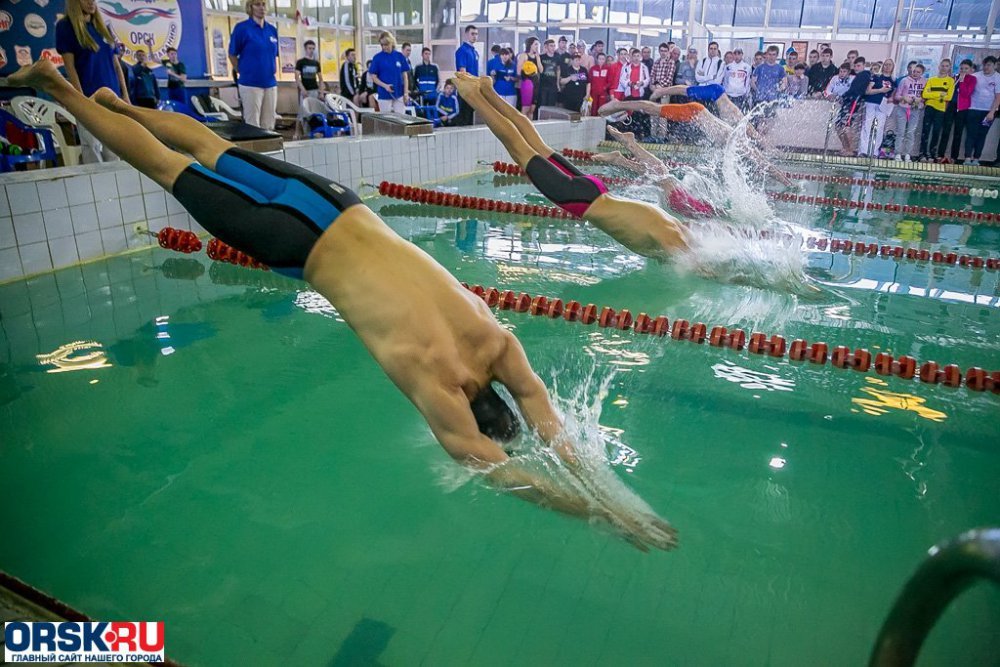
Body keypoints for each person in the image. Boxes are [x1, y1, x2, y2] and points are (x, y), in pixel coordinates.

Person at [9, 59, 677, 552]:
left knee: (213, 146)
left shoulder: (499, 341)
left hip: (337, 203)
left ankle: (111, 101)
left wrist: (616, 492)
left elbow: (552, 423)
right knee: (165, 167)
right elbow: (504, 472)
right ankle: (59, 91)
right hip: (296, 245)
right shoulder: (440, 389)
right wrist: (601, 515)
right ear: (476, 411)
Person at [454, 72, 687, 261]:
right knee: (519, 148)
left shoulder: (677, 225)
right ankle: (473, 96)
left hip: (596, 190)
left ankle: (488, 91)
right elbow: (696, 268)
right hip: (582, 200)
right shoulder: (674, 241)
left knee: (534, 142)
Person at [598, 94, 794, 185]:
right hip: (694, 113)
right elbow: (763, 164)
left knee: (653, 109)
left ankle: (620, 105)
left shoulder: (734, 141)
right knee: (652, 109)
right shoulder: (739, 142)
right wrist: (787, 183)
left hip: (697, 113)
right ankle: (618, 104)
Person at [55, 0, 130, 162]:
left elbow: (117, 67)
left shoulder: (103, 29)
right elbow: (71, 68)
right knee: (93, 150)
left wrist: (125, 95)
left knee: (115, 150)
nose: (91, 2)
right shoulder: (66, 26)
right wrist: (81, 101)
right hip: (89, 99)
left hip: (112, 99)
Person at [229, 0, 279, 130]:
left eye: (263, 4)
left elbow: (273, 55)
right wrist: (242, 70)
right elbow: (232, 54)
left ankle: (269, 149)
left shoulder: (272, 30)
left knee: (268, 124)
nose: (261, 8)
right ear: (250, 7)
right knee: (252, 124)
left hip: (270, 83)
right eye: (257, 4)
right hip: (250, 84)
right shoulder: (242, 29)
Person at [963, 55, 1000, 166]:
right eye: (984, 65)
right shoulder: (975, 76)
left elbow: (998, 97)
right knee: (971, 134)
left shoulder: (998, 78)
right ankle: (967, 158)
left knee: (982, 135)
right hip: (973, 109)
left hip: (988, 111)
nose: (986, 67)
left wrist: (992, 112)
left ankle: (976, 158)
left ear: (995, 65)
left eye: (989, 65)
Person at [938, 59, 976, 163]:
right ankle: (940, 155)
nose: (963, 71)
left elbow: (966, 93)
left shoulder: (972, 79)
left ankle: (954, 157)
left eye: (966, 69)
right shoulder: (955, 78)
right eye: (962, 68)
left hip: (962, 108)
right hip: (951, 106)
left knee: (958, 133)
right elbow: (949, 91)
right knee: (946, 131)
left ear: (970, 69)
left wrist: (963, 81)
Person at [919, 59, 955, 161]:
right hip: (929, 107)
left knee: (936, 131)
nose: (944, 68)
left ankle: (932, 153)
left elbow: (949, 97)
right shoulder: (931, 80)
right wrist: (939, 94)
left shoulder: (950, 81)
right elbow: (925, 94)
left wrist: (932, 94)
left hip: (940, 109)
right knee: (925, 130)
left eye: (946, 66)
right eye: (942, 65)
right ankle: (923, 153)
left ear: (949, 68)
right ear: (939, 66)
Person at [368, 31, 410, 114]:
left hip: (399, 93)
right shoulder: (377, 58)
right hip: (384, 94)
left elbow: (405, 76)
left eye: (386, 44)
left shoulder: (399, 56)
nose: (384, 47)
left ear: (391, 43)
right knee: (386, 119)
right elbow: (374, 77)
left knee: (401, 118)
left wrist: (405, 93)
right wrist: (385, 86)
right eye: (382, 45)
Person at [858, 61, 894, 158]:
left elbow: (893, 96)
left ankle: (874, 152)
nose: (887, 67)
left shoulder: (893, 81)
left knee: (879, 129)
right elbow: (868, 91)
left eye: (889, 65)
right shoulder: (876, 77)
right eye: (885, 64)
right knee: (867, 126)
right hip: (871, 103)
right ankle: (863, 151)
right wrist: (880, 90)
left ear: (893, 67)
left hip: (883, 106)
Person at [837, 57, 871, 156]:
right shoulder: (858, 76)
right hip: (849, 102)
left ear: (864, 66)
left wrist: (846, 96)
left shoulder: (864, 75)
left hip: (853, 102)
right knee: (838, 126)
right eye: (855, 66)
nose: (856, 68)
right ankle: (845, 147)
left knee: (846, 126)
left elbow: (856, 91)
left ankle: (850, 149)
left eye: (858, 65)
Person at [893, 63, 926, 161]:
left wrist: (919, 99)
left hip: (915, 109)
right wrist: (904, 98)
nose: (915, 73)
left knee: (911, 132)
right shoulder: (904, 80)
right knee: (901, 131)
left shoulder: (924, 82)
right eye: (914, 71)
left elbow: (925, 96)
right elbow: (897, 96)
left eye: (918, 72)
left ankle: (908, 153)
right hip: (903, 108)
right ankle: (898, 153)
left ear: (922, 73)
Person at [455, 25, 480, 125]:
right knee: (464, 117)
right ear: (466, 35)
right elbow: (462, 71)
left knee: (470, 116)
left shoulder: (475, 52)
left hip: (473, 88)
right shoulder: (462, 51)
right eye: (472, 34)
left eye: (476, 34)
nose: (475, 36)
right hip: (465, 89)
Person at [538, 39, 560, 108]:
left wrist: (558, 83)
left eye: (554, 46)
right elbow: (538, 71)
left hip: (553, 85)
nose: (553, 48)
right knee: (542, 104)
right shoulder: (541, 57)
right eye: (551, 46)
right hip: (543, 84)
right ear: (546, 47)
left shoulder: (557, 56)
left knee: (551, 105)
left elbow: (558, 70)